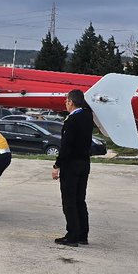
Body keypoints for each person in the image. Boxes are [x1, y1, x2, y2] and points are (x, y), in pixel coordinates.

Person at [52, 90, 94, 246]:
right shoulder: (87, 116)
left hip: (71, 165)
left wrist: (57, 165)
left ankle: (72, 235)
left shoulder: (72, 120)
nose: (65, 103)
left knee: (69, 201)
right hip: (84, 163)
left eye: (66, 100)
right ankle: (83, 234)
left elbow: (66, 146)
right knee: (79, 200)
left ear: (71, 102)